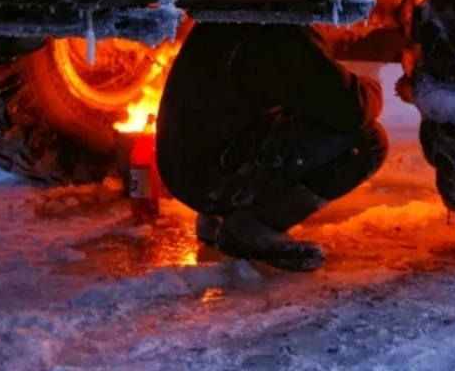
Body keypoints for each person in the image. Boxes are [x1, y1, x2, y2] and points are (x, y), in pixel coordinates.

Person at [156, 23, 387, 271]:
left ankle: (218, 214)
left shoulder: (241, 14)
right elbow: (351, 108)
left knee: (296, 109)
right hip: (212, 175)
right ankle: (255, 226)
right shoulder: (279, 33)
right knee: (366, 142)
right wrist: (372, 87)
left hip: (191, 166)